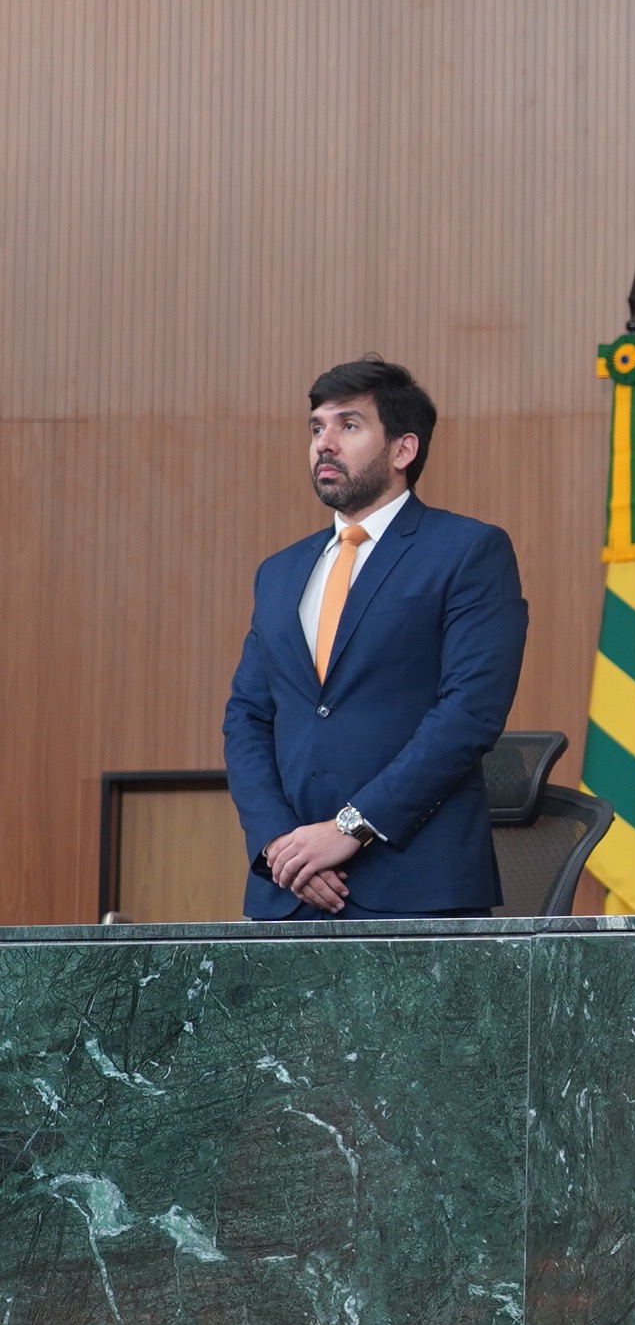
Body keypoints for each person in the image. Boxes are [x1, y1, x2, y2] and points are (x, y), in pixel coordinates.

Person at [223, 359, 529, 919]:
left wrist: (350, 828)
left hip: (416, 889)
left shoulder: (467, 551)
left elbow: (469, 712)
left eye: (349, 425)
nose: (324, 443)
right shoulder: (279, 572)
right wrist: (279, 843)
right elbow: (247, 717)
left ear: (403, 449)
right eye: (317, 428)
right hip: (291, 890)